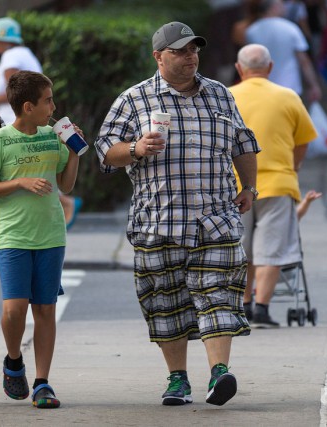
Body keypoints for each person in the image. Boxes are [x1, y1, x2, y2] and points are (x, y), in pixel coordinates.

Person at [95, 21, 260, 407]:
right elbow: (105, 152)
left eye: (194, 50)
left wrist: (249, 187)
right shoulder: (134, 99)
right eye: (181, 51)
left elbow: (243, 142)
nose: (191, 57)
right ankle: (178, 380)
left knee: (218, 295)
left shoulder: (220, 94)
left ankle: (220, 372)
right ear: (159, 57)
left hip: (216, 217)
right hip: (159, 221)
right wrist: (135, 148)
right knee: (165, 303)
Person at [0, 71, 80, 408]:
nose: (53, 106)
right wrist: (20, 183)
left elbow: (66, 185)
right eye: (47, 100)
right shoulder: (1, 140)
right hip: (14, 237)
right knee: (14, 310)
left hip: (51, 235)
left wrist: (75, 152)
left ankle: (42, 383)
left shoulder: (54, 136)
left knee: (45, 310)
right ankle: (13, 361)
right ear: (27, 106)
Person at [229, 44, 317, 327]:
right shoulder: (288, 96)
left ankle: (242, 306)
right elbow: (303, 139)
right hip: (279, 182)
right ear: (269, 68)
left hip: (234, 184)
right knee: (271, 248)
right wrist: (293, 168)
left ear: (239, 69)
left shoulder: (227, 96)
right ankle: (262, 309)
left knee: (241, 248)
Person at [0, 16, 82, 228]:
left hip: (15, 122)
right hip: (17, 122)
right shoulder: (24, 53)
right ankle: (60, 203)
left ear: (5, 40)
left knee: (20, 169)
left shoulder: (12, 56)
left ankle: (64, 203)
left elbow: (16, 93)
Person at [245, 0, 322, 104]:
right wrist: (313, 85)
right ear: (274, 8)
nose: (285, 7)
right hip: (290, 88)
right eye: (281, 5)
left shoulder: (251, 32)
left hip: (264, 90)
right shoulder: (291, 28)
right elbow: (304, 61)